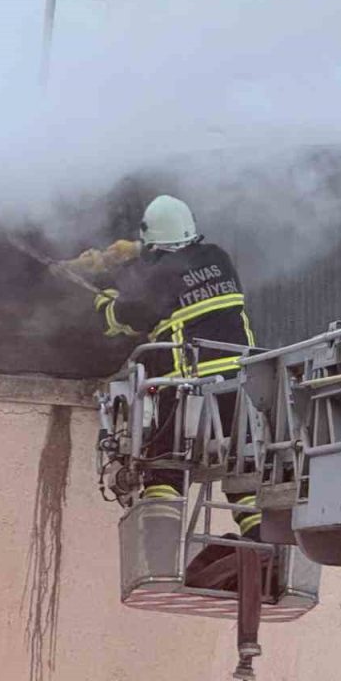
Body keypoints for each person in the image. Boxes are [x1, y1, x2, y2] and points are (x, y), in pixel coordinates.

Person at [56, 194, 262, 537]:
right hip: (239, 387)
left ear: (154, 242)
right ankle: (260, 549)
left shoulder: (159, 277)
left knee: (163, 471)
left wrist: (102, 300)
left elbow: (120, 319)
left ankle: (159, 550)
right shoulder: (219, 258)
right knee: (244, 475)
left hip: (186, 390)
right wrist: (129, 253)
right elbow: (175, 265)